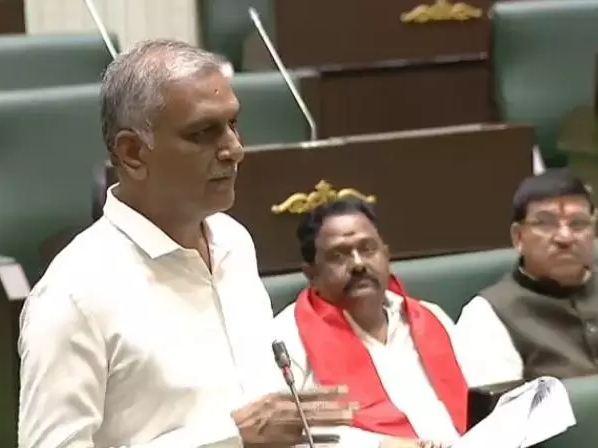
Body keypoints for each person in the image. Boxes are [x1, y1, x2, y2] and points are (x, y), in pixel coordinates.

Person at [18, 39, 354, 448]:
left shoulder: (233, 241)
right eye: (203, 133)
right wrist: (229, 438)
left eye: (233, 124)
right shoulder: (73, 295)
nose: (234, 150)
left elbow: (265, 419)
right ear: (133, 152)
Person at [274, 199, 469, 448]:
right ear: (312, 274)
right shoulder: (286, 339)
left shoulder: (431, 317)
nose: (358, 264)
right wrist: (380, 445)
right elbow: (283, 436)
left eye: (367, 249)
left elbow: (485, 401)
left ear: (386, 255)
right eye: (338, 255)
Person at [456, 169, 598, 385]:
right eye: (546, 223)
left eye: (578, 223)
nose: (565, 237)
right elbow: (504, 405)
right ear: (518, 237)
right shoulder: (487, 316)